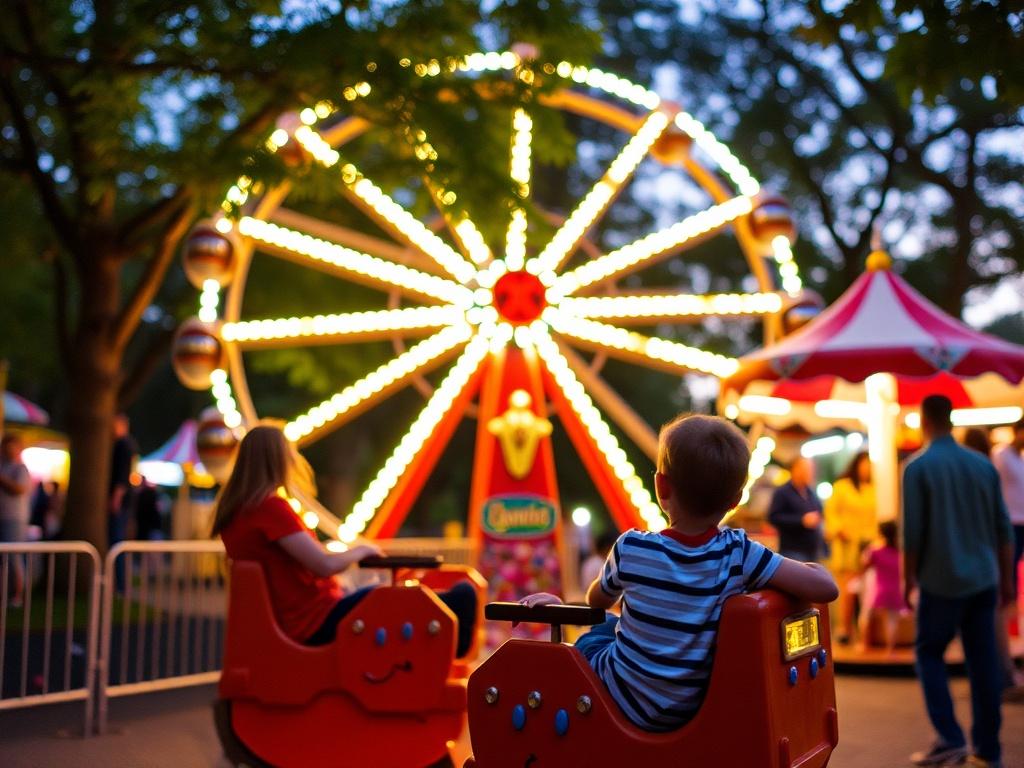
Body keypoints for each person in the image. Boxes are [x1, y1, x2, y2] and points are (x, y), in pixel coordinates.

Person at [521, 414, 838, 732]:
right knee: (610, 624)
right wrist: (807, 567)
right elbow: (827, 587)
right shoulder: (739, 552)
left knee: (596, 632)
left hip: (621, 698)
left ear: (661, 485)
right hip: (687, 708)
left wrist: (562, 607)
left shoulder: (631, 547)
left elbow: (596, 602)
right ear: (735, 500)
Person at [212, 424, 478, 652]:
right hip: (315, 620)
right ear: (279, 460)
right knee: (395, 598)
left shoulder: (238, 514)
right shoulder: (270, 509)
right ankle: (453, 628)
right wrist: (360, 551)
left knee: (387, 597)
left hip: (299, 619)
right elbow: (323, 565)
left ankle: (450, 615)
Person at [903, 395, 1015, 767]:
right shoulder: (983, 465)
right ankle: (988, 750)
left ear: (924, 420)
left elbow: (913, 534)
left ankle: (950, 739)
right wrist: (1007, 579)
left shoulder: (918, 468)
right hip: (984, 578)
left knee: (929, 654)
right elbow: (1003, 529)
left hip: (941, 580)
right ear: (951, 419)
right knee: (983, 664)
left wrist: (908, 580)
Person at [824, 451, 876, 643]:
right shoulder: (842, 487)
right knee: (847, 590)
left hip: (868, 545)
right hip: (847, 545)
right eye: (863, 465)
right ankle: (844, 629)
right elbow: (831, 513)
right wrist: (839, 529)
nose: (866, 469)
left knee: (867, 590)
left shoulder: (873, 489)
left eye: (869, 466)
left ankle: (864, 632)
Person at [990, 418, 1024, 697]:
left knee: (1011, 592)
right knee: (1005, 591)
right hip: (1009, 526)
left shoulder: (1019, 459)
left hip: (1018, 525)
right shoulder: (1001, 455)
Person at [857, 520, 903, 655]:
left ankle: (864, 644)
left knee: (866, 615)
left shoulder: (875, 552)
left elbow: (864, 566)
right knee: (892, 621)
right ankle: (891, 649)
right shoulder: (899, 553)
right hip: (895, 590)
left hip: (879, 590)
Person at [768, 455, 824, 562]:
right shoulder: (782, 492)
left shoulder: (811, 493)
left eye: (811, 469)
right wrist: (801, 520)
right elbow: (774, 517)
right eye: (806, 469)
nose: (810, 473)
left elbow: (820, 512)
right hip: (792, 551)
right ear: (795, 469)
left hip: (813, 551)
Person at [0, 434, 31, 607]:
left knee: (14, 557)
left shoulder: (20, 468)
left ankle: (18, 596)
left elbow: (19, 489)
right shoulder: (3, 466)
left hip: (14, 518)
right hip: (3, 516)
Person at [109, 414, 137, 590]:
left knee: (116, 541)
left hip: (121, 501)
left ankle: (120, 585)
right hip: (125, 501)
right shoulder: (129, 445)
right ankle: (120, 583)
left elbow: (121, 476)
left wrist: (115, 499)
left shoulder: (122, 445)